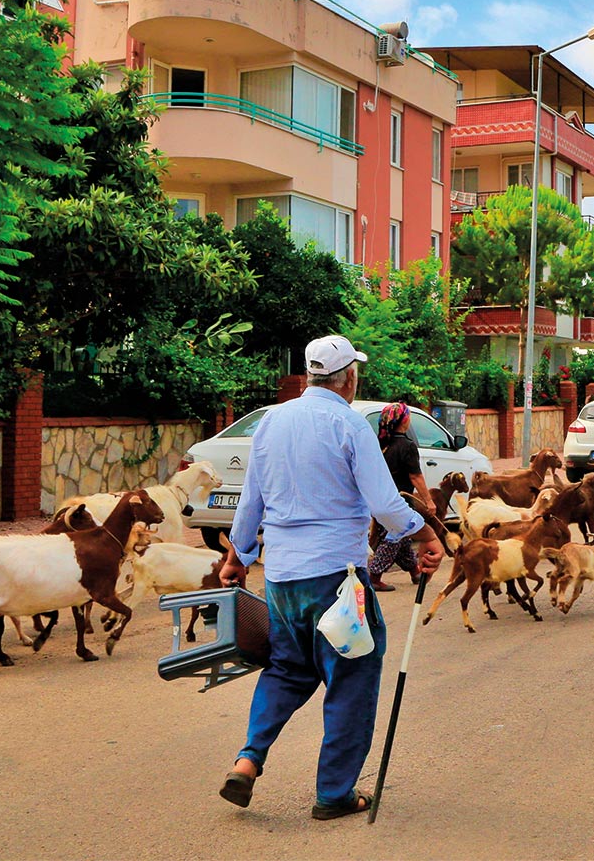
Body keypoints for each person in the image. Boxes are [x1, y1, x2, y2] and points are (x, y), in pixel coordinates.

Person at [216, 334, 445, 821]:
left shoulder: (271, 421)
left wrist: (238, 556)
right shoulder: (349, 423)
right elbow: (386, 504)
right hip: (337, 581)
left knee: (287, 668)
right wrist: (425, 535)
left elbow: (249, 500)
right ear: (350, 378)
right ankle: (335, 793)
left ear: (309, 375)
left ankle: (248, 760)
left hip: (281, 579)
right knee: (353, 675)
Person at [369, 401, 436, 591]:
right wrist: (428, 501)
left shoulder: (381, 444)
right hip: (400, 500)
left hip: (380, 497)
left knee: (402, 535)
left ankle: (414, 570)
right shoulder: (407, 446)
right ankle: (373, 576)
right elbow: (415, 476)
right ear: (404, 421)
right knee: (395, 535)